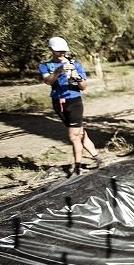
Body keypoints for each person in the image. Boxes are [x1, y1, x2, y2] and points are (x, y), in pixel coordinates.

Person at [38, 36, 102, 176]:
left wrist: (76, 76)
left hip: (74, 102)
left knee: (73, 136)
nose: (62, 54)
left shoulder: (76, 64)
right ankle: (97, 157)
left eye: (64, 51)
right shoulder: (45, 66)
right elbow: (48, 81)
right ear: (51, 50)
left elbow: (83, 86)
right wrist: (58, 71)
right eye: (58, 51)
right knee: (79, 133)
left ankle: (77, 167)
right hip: (58, 103)